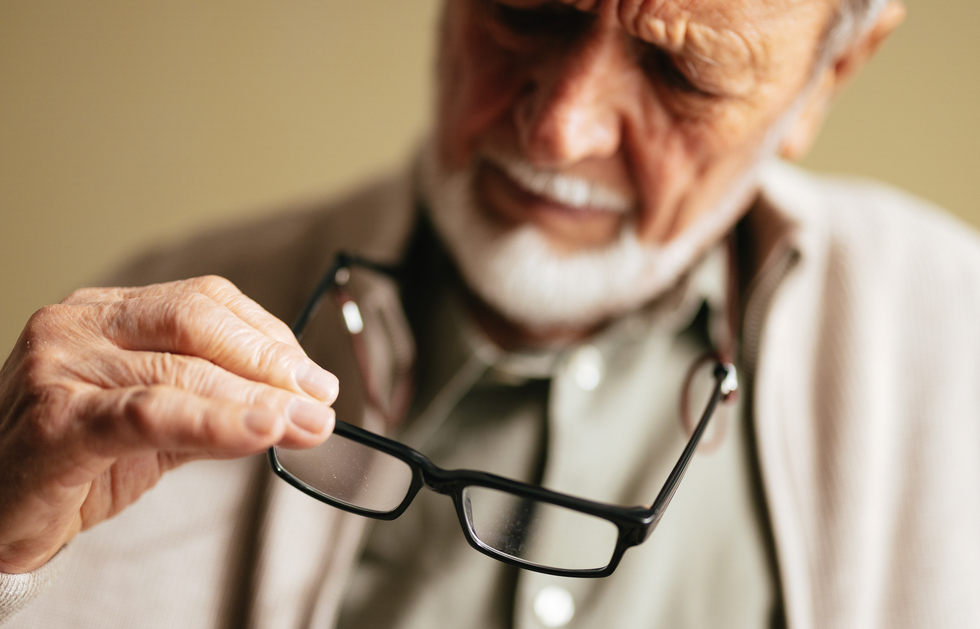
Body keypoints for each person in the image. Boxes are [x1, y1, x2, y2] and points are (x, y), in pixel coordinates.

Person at [2, 0, 979, 627]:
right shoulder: (142, 347)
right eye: (526, 10)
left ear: (829, 76)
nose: (559, 124)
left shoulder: (956, 337)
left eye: (682, 73)